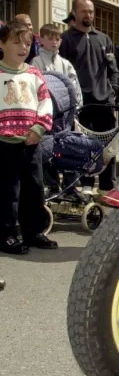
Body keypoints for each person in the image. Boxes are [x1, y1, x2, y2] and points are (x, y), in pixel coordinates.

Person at [0, 21, 58, 254]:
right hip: (4, 144)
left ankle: (33, 232)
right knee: (7, 192)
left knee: (34, 188)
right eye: (16, 42)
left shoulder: (34, 74)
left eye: (26, 43)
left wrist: (38, 128)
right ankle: (6, 234)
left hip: (31, 141)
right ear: (1, 44)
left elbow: (45, 103)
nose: (23, 47)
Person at [60, 0, 119, 195]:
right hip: (81, 105)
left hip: (104, 103)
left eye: (91, 11)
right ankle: (86, 184)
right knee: (82, 146)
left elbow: (113, 69)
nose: (88, 15)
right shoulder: (66, 40)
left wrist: (112, 92)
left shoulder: (104, 39)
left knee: (108, 147)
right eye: (84, 11)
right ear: (75, 13)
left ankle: (107, 188)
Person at [31, 23, 83, 107]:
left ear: (61, 42)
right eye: (50, 39)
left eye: (57, 39)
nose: (54, 42)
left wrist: (76, 106)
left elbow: (74, 86)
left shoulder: (66, 64)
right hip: (44, 107)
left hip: (65, 107)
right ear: (41, 40)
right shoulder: (36, 62)